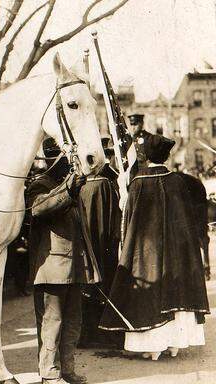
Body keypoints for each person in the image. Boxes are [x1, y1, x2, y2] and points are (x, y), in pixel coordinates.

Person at [99, 133, 210, 360]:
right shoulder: (178, 181)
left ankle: (153, 346)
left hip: (146, 252)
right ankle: (175, 344)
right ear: (166, 156)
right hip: (175, 252)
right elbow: (187, 219)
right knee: (175, 291)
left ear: (147, 156)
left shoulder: (138, 183)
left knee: (149, 292)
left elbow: (128, 217)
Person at [26, 138, 98, 384]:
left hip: (74, 267)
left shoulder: (67, 185)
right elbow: (38, 208)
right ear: (52, 159)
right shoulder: (40, 185)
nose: (69, 164)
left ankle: (67, 369)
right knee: (52, 322)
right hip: (51, 268)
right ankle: (49, 373)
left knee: (73, 322)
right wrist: (68, 189)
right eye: (65, 158)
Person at [77, 140, 122, 349]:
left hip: (86, 247)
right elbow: (115, 218)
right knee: (106, 285)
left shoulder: (81, 185)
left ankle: (86, 334)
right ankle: (106, 334)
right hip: (105, 248)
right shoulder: (105, 184)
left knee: (87, 288)